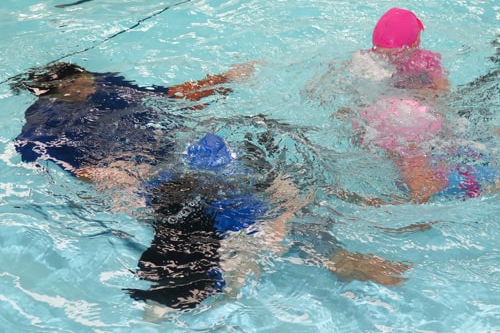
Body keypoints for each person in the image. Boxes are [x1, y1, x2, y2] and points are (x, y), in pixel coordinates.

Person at [13, 62, 410, 311]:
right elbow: (59, 160)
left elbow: (176, 96)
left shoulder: (105, 91)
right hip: (139, 176)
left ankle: (198, 279)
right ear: (69, 85)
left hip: (160, 171)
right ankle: (327, 256)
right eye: (86, 80)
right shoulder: (44, 122)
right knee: (265, 197)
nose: (94, 83)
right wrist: (111, 180)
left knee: (245, 198)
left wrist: (224, 80)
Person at [356, 7, 498, 203]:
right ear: (416, 41)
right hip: (414, 115)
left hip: (383, 114)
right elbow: (443, 93)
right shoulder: (424, 61)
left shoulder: (366, 59)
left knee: (407, 156)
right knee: (434, 150)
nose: (388, 58)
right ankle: (412, 202)